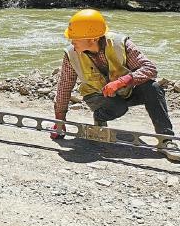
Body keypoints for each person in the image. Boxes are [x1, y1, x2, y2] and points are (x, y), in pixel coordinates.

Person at [51, 9, 175, 158]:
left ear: (93, 39)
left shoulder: (121, 44)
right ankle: (100, 117)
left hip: (125, 90)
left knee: (153, 88)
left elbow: (150, 69)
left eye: (75, 38)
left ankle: (166, 140)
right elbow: (64, 86)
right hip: (97, 96)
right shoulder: (71, 54)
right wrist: (60, 120)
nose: (72, 42)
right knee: (118, 107)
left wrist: (121, 82)